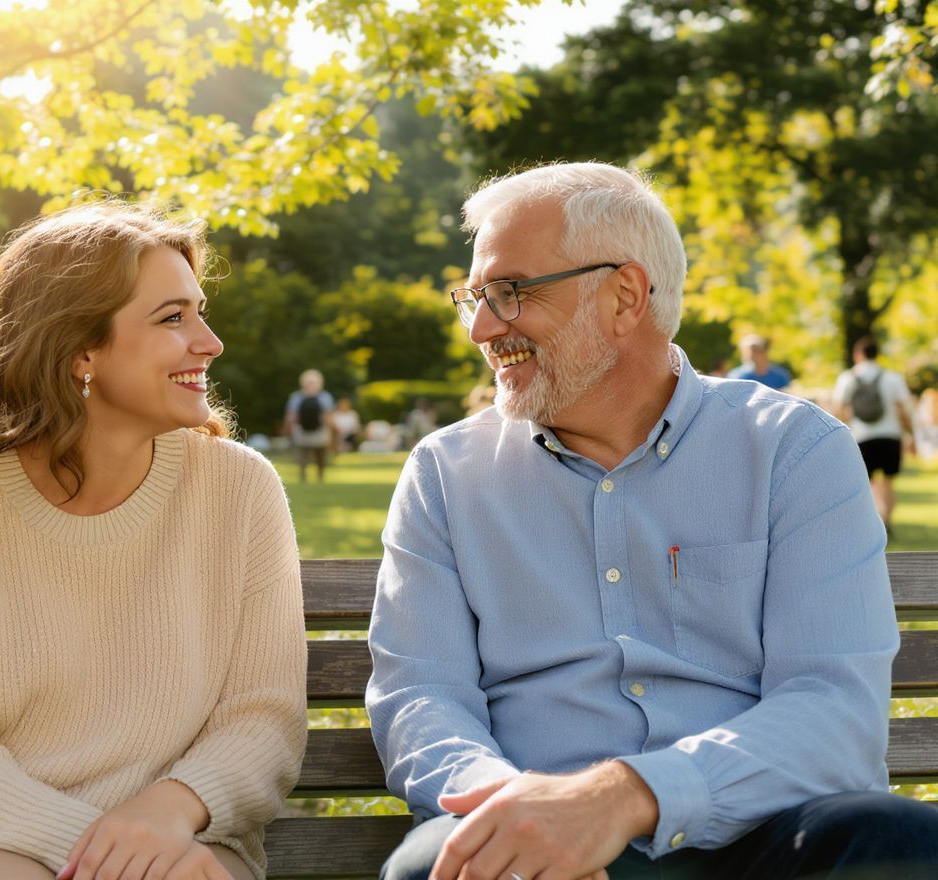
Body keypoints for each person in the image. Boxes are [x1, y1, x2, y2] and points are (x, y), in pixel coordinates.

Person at [366, 162, 938, 880]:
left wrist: (625, 797)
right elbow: (421, 696)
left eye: (510, 293)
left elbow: (834, 712)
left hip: (766, 835)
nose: (482, 328)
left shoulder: (794, 450)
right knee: (444, 868)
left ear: (625, 296)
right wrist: (517, 810)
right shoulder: (444, 475)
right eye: (475, 298)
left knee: (900, 843)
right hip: (540, 842)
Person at [0, 202, 307, 880]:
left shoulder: (241, 490)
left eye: (199, 310)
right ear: (80, 353)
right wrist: (103, 850)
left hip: (176, 840)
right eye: (173, 318)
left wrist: (170, 810)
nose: (210, 342)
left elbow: (263, 720)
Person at [832, 337, 914, 536]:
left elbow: (838, 408)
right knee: (887, 481)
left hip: (861, 436)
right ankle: (886, 520)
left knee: (866, 481)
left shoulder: (848, 377)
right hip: (889, 435)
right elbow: (904, 409)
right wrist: (911, 435)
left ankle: (871, 521)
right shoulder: (892, 377)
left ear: (858, 354)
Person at [284, 369, 333, 482]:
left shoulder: (296, 397)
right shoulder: (325, 397)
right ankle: (319, 476)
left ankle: (304, 476)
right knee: (319, 456)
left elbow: (291, 416)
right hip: (319, 432)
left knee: (304, 455)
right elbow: (328, 416)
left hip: (302, 431)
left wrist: (288, 429)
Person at [727, 333, 792, 389]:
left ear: (764, 352)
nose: (752, 354)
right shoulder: (736, 377)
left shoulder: (780, 375)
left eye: (756, 350)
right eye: (748, 351)